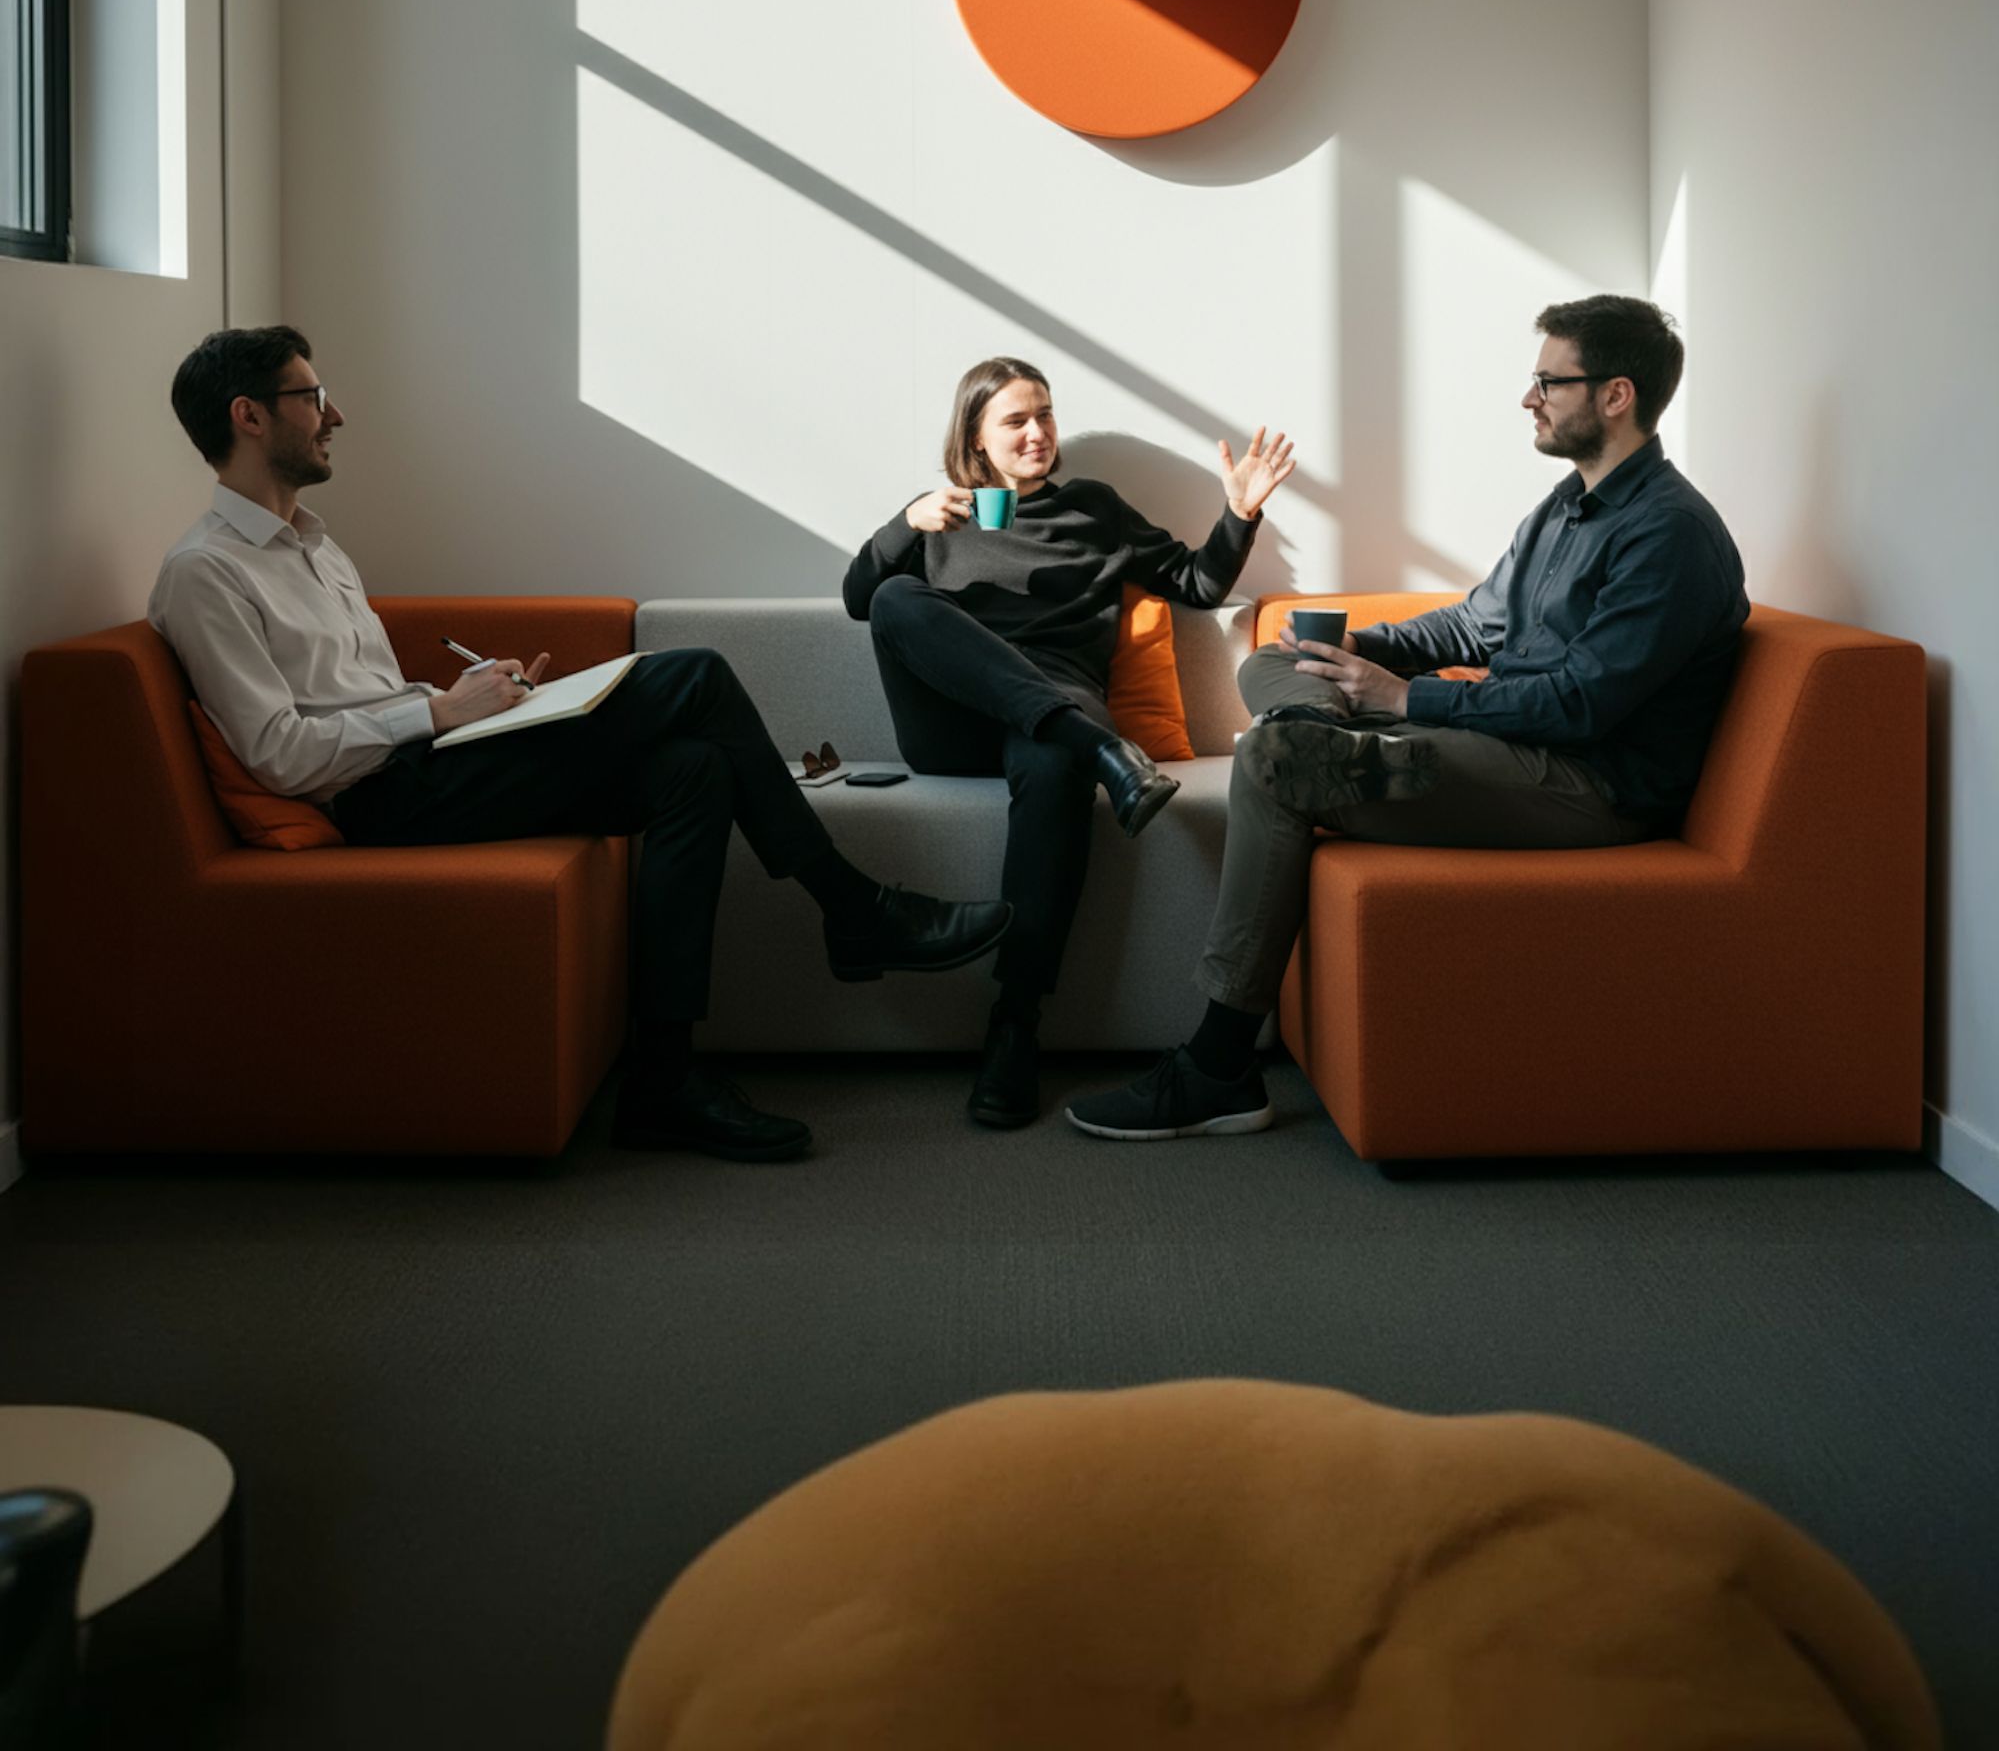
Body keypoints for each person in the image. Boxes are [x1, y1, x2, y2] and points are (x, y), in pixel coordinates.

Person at [149, 328, 1011, 1165]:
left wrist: (472, 700)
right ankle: (855, 911)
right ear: (249, 416)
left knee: (694, 770)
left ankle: (663, 1082)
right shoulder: (206, 573)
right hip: (375, 799)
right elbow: (279, 755)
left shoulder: (317, 544)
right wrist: (439, 715)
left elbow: (360, 694)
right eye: (312, 396)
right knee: (698, 675)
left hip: (426, 761)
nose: (334, 415)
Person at [1067, 295, 1748, 1144]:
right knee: (1271, 660)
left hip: (1583, 787)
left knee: (1276, 762)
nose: (1528, 398)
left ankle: (1216, 1067)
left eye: (1548, 382)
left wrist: (1399, 698)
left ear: (1615, 395)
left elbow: (1580, 704)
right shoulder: (1565, 507)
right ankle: (1314, 730)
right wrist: (1357, 648)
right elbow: (1471, 625)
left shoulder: (1669, 534)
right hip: (1502, 747)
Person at [844, 356, 1297, 1130]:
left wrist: (1238, 515)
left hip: (1056, 706)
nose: (1037, 432)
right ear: (975, 437)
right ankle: (1100, 752)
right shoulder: (938, 516)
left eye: (1045, 414)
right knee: (894, 596)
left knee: (1052, 760)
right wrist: (904, 525)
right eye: (1015, 419)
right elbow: (861, 602)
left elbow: (1195, 585)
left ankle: (1014, 1023)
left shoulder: (1093, 508)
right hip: (954, 720)